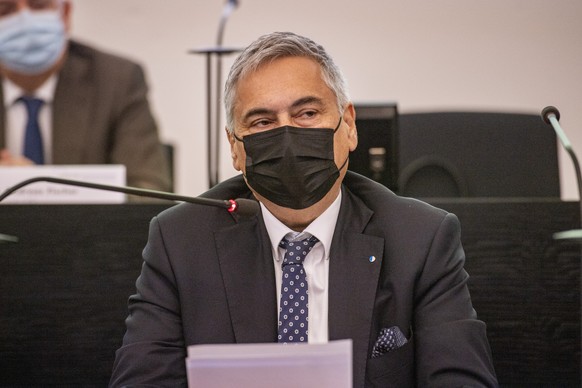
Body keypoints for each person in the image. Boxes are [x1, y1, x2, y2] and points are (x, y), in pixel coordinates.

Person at [110, 31, 498, 387]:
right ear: (235, 147)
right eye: (262, 122)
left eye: (307, 114)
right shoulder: (180, 241)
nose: (288, 136)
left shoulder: (421, 239)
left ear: (348, 125)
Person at [0, 0, 171, 192]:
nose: (24, 21)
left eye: (38, 5)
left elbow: (149, 191)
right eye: (4, 9)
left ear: (65, 13)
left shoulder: (118, 80)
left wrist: (37, 186)